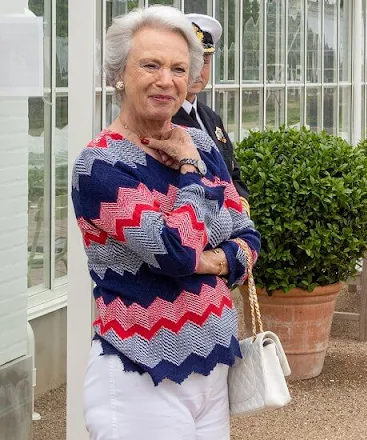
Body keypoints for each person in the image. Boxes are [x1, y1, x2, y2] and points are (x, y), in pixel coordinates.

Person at [71, 6, 260, 439]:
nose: (166, 80)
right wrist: (191, 172)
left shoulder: (200, 141)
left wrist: (207, 257)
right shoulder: (100, 165)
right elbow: (174, 250)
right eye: (150, 65)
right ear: (119, 73)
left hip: (212, 365)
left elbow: (247, 234)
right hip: (139, 371)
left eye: (179, 68)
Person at [172, 13, 250, 213]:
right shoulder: (163, 120)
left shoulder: (210, 117)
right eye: (192, 61)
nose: (198, 71)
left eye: (205, 61)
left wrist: (240, 210)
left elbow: (233, 172)